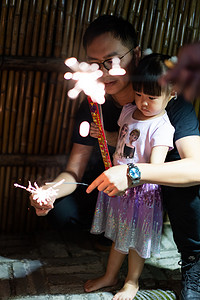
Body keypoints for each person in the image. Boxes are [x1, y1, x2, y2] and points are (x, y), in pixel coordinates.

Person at [30, 15, 140, 230]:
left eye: (112, 61)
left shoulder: (160, 96)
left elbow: (193, 167)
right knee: (62, 211)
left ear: (135, 54)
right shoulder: (92, 105)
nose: (104, 72)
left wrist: (133, 175)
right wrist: (50, 190)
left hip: (147, 192)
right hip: (105, 189)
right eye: (94, 64)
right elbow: (74, 171)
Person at [84, 53, 175, 300]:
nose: (143, 103)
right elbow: (121, 141)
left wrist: (131, 177)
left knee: (136, 242)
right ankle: (110, 276)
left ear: (171, 94)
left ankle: (132, 281)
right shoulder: (128, 111)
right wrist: (103, 135)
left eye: (152, 97)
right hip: (119, 189)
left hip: (141, 193)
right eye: (139, 94)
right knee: (119, 236)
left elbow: (155, 167)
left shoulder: (162, 127)